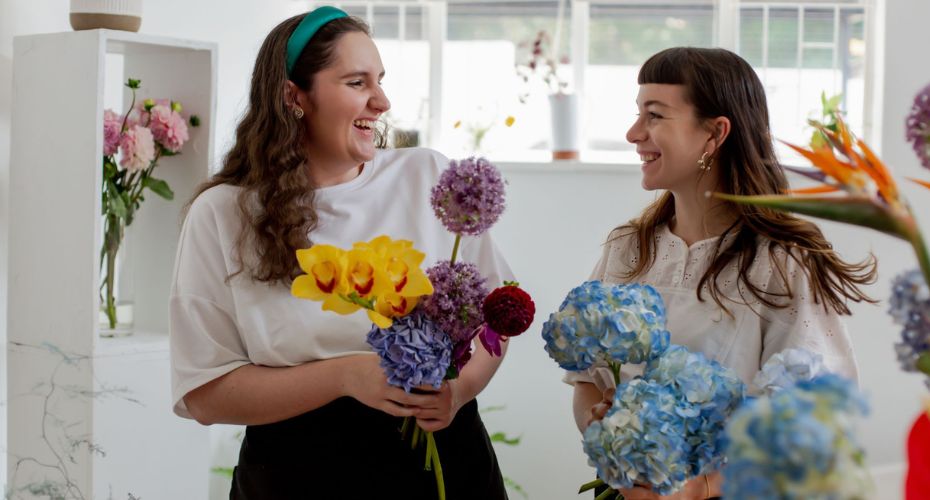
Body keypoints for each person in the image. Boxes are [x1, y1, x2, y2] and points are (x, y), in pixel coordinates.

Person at [169, 7, 512, 499]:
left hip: (446, 468)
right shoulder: (223, 214)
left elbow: (495, 318)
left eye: (381, 80)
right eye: (356, 82)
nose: (382, 100)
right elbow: (204, 394)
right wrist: (346, 376)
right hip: (297, 475)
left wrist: (459, 392)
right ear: (294, 96)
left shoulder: (428, 178)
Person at [567, 47, 876, 500]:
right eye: (638, 114)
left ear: (714, 133)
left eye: (654, 116)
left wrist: (698, 487)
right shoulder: (627, 249)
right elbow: (587, 384)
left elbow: (816, 424)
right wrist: (611, 440)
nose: (634, 133)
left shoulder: (783, 262)